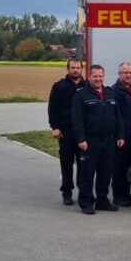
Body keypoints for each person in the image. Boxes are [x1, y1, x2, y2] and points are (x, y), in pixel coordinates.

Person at [71, 64, 124, 214]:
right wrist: (81, 139)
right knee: (87, 173)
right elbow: (77, 120)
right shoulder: (81, 95)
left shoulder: (110, 93)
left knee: (105, 172)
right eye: (95, 76)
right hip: (90, 140)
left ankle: (102, 200)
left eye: (101, 76)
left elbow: (117, 116)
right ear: (89, 77)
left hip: (109, 140)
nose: (98, 79)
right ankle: (86, 202)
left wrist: (120, 135)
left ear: (104, 76)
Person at [48, 58, 86, 205]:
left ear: (81, 69)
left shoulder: (87, 86)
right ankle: (67, 192)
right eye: (72, 67)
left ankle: (83, 190)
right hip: (66, 130)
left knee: (84, 163)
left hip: (83, 131)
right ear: (68, 69)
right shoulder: (59, 86)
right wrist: (55, 127)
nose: (75, 70)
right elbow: (53, 108)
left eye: (78, 67)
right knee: (66, 162)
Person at [110, 62, 131, 207]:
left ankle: (127, 195)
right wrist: (119, 135)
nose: (128, 75)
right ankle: (118, 196)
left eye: (130, 72)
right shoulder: (114, 91)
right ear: (119, 74)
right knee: (119, 167)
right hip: (122, 137)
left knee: (129, 166)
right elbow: (114, 117)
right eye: (125, 73)